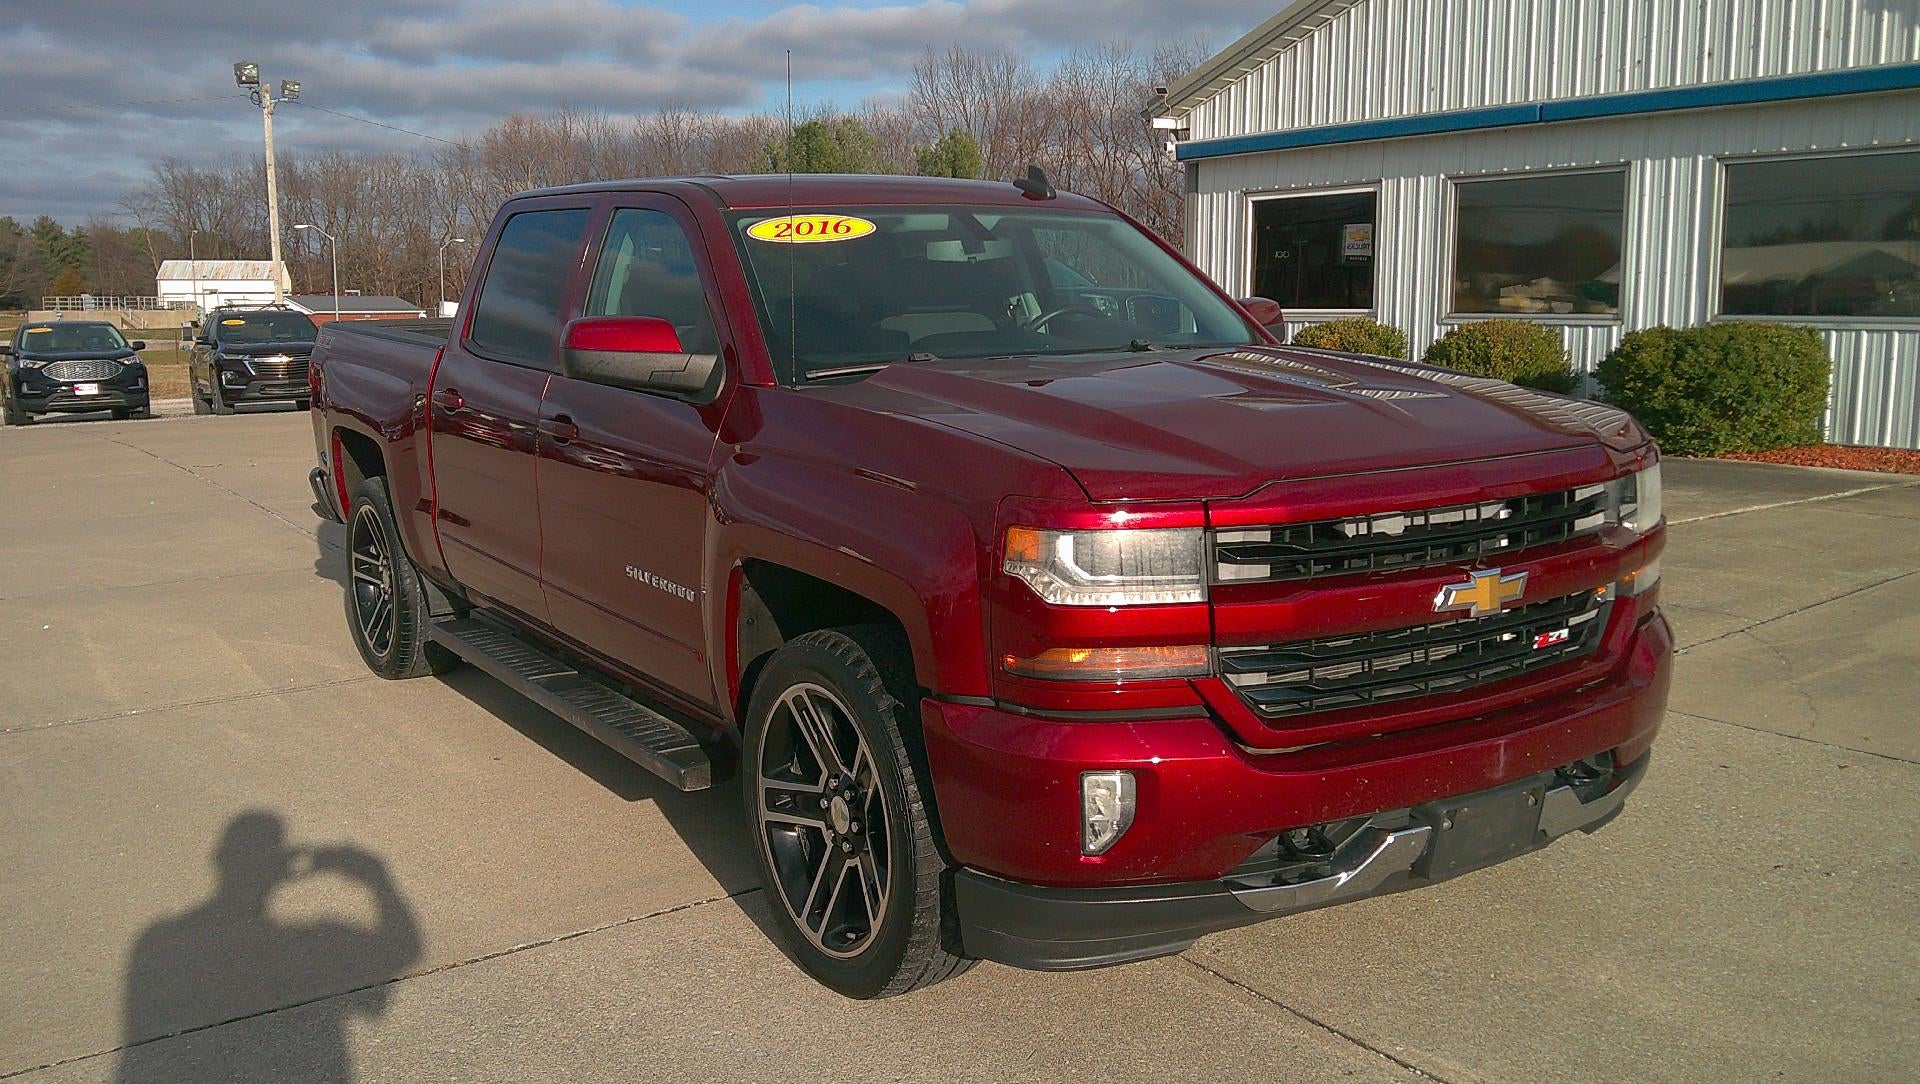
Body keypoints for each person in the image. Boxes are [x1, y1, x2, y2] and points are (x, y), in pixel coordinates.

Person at [115, 812, 420, 1082]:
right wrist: (377, 879)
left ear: (220, 859)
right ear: (283, 869)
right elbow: (402, 951)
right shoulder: (310, 945)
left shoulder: (161, 940)